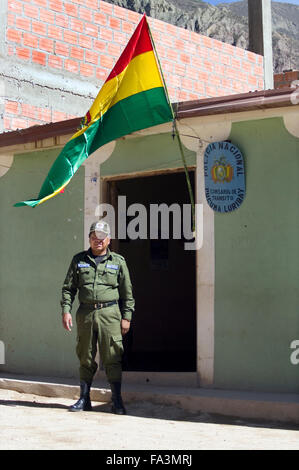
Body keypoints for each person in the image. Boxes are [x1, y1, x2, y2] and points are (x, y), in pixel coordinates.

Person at [61, 220, 135, 415]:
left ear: (108, 240)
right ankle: (84, 398)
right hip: (85, 314)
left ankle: (117, 400)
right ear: (89, 238)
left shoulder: (118, 262)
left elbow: (127, 293)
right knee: (85, 355)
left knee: (113, 357)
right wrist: (66, 310)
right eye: (94, 237)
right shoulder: (79, 260)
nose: (97, 240)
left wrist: (126, 316)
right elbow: (68, 289)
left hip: (110, 314)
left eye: (101, 237)